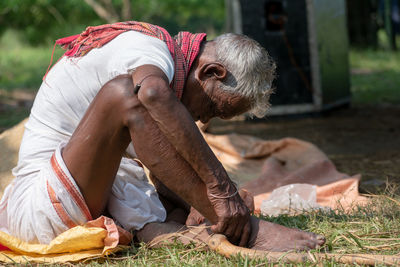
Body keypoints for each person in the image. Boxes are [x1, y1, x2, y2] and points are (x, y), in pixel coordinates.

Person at [0, 21, 325, 251]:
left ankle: (212, 225)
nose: (203, 120)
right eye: (212, 108)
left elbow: (162, 160)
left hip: (79, 199)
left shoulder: (158, 61)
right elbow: (152, 93)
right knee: (124, 94)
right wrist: (222, 193)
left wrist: (213, 201)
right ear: (211, 72)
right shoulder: (150, 53)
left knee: (176, 183)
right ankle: (245, 231)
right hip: (41, 210)